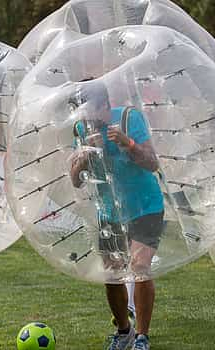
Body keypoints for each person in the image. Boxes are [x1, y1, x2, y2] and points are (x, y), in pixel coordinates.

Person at [68, 81, 163, 350]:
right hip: (110, 210)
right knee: (113, 273)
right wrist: (85, 158)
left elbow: (152, 163)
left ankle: (142, 337)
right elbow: (75, 180)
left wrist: (127, 143)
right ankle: (124, 330)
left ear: (105, 106)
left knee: (140, 265)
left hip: (145, 205)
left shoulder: (129, 117)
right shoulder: (80, 129)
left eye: (90, 112)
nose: (86, 119)